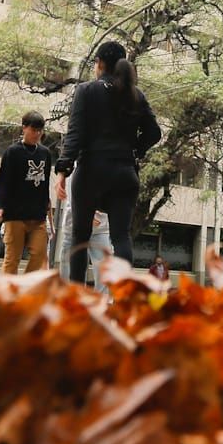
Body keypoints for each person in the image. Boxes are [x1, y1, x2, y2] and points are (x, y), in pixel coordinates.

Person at [54, 41, 161, 284]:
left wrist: (63, 169)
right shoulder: (135, 95)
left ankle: (78, 296)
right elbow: (154, 132)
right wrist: (135, 150)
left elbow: (75, 134)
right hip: (125, 173)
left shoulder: (87, 90)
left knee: (81, 236)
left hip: (92, 170)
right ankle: (123, 298)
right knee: (121, 237)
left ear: (100, 64)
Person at [0, 111, 52, 274]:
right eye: (33, 130)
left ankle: (24, 287)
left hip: (38, 215)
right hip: (15, 214)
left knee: (39, 254)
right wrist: (0, 205)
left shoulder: (45, 154)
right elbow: (3, 180)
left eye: (40, 130)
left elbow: (45, 184)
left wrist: (47, 209)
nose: (37, 134)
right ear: (24, 128)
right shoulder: (13, 152)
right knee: (12, 259)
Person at [56, 186, 112, 293]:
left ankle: (103, 302)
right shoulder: (74, 169)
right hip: (74, 225)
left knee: (104, 266)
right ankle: (70, 298)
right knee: (69, 264)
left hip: (100, 227)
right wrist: (87, 216)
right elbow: (72, 192)